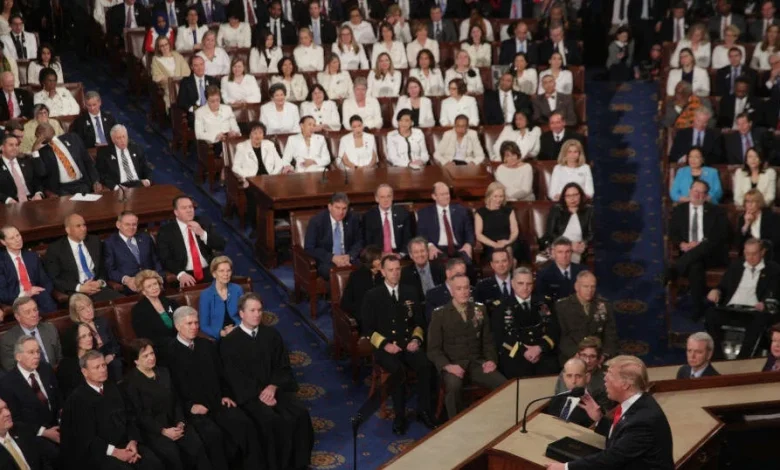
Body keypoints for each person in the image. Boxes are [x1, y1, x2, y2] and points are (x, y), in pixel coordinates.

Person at [220, 293, 314, 470]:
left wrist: (272, 386)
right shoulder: (230, 342)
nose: (257, 314)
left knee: (300, 413)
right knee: (270, 421)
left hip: (275, 389)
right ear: (241, 313)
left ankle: (299, 464)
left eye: (259, 310)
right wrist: (260, 393)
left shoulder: (271, 335)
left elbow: (283, 365)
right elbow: (234, 376)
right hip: (249, 395)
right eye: (252, 310)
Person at [167, 306, 262, 470]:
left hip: (217, 401)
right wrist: (190, 406)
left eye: (196, 322)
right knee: (214, 437)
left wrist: (225, 394)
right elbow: (171, 390)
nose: (195, 327)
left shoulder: (206, 345)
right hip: (195, 410)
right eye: (189, 323)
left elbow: (222, 374)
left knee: (244, 423)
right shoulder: (169, 353)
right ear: (177, 326)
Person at [545, 356, 674, 470]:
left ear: (625, 385)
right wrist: (599, 419)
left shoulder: (643, 421)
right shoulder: (638, 403)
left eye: (610, 374)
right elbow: (621, 436)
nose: (605, 378)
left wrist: (566, 467)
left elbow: (612, 458)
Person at [361, 255, 435, 433]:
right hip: (385, 348)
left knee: (426, 366)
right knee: (398, 371)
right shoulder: (373, 295)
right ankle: (399, 417)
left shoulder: (410, 291)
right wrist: (386, 345)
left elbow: (419, 322)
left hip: (407, 344)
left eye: (397, 269)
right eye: (391, 270)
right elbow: (368, 329)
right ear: (383, 272)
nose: (395, 273)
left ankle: (424, 411)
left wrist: (416, 340)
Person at [60, 350, 165, 470]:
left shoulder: (114, 388)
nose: (103, 369)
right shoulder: (77, 400)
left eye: (104, 365)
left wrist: (133, 441)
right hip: (102, 453)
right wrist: (115, 452)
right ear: (85, 372)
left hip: (127, 444)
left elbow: (130, 416)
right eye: (97, 367)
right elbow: (86, 438)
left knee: (154, 462)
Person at [124, 339, 214, 470]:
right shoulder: (130, 383)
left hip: (175, 422)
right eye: (145, 356)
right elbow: (140, 415)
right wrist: (163, 431)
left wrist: (180, 422)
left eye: (152, 353)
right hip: (154, 430)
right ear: (136, 361)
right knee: (173, 455)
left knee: (197, 445)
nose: (151, 358)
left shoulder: (164, 372)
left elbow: (176, 400)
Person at [427, 274, 506, 419]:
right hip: (453, 364)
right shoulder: (440, 315)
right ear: (451, 291)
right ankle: (456, 423)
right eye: (459, 288)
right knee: (453, 386)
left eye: (466, 288)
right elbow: (433, 350)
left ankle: (497, 420)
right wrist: (448, 366)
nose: (463, 292)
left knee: (503, 384)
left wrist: (491, 360)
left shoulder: (479, 310)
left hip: (477, 363)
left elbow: (488, 341)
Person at [705, 238, 780, 359]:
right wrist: (716, 290)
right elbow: (722, 286)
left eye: (754, 254)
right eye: (747, 254)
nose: (750, 257)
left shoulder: (773, 270)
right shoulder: (736, 267)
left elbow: (774, 293)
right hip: (731, 309)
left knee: (759, 321)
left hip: (753, 311)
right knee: (710, 314)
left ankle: (743, 358)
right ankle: (717, 357)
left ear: (762, 252)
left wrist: (765, 304)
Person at [668, 180, 730, 320]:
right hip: (689, 253)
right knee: (695, 265)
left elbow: (722, 235)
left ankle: (675, 270)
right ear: (690, 191)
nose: (698, 194)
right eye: (696, 191)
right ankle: (698, 308)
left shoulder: (716, 211)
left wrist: (699, 244)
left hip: (711, 254)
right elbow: (673, 233)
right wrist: (682, 244)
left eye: (702, 192)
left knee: (704, 247)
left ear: (706, 195)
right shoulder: (680, 210)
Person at [0, 335, 61, 466]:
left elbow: (58, 398)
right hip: (33, 434)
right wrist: (43, 432)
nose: (37, 356)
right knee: (55, 454)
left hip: (57, 425)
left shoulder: (45, 369)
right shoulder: (7, 383)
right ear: (18, 356)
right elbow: (15, 420)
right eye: (31, 352)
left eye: (38, 351)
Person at [492, 267, 560, 378]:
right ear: (512, 284)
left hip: (542, 353)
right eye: (520, 283)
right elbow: (500, 337)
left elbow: (553, 329)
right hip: (516, 355)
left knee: (552, 368)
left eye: (529, 284)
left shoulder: (543, 303)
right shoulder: (501, 307)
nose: (525, 288)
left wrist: (539, 348)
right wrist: (524, 351)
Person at [43, 213, 121, 303]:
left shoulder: (94, 241)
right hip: (75, 292)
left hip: (97, 288)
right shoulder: (56, 249)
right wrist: (80, 288)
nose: (83, 229)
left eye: (84, 225)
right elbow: (54, 278)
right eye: (78, 226)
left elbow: (103, 267)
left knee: (122, 302)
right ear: (68, 230)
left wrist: (100, 282)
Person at [156, 195, 227, 286]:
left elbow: (221, 245)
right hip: (185, 273)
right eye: (184, 208)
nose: (189, 210)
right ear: (176, 212)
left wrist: (202, 233)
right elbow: (164, 258)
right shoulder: (166, 231)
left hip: (208, 270)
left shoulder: (203, 222)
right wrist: (180, 273)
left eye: (190, 207)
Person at [556, 271, 619, 364]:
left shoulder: (604, 305)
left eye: (593, 286)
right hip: (572, 357)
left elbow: (610, 335)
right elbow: (561, 336)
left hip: (598, 357)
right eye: (585, 286)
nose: (590, 290)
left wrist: (604, 355)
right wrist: (577, 355)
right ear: (576, 287)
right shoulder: (562, 306)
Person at [304, 192, 363, 280]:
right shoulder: (317, 222)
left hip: (347, 258)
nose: (341, 212)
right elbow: (309, 248)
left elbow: (359, 241)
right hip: (327, 261)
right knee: (336, 275)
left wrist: (349, 256)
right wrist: (332, 257)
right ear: (330, 207)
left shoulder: (353, 219)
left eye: (344, 208)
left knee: (365, 271)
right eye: (337, 208)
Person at [32, 123, 102, 196]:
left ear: (52, 129)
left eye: (46, 127)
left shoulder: (72, 138)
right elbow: (41, 173)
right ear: (37, 136)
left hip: (82, 184)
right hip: (62, 189)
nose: (44, 131)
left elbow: (88, 161)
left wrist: (95, 181)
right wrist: (34, 151)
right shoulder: (42, 152)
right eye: (40, 131)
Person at [0, 226, 56, 314]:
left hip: (37, 294)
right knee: (31, 312)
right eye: (12, 238)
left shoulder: (32, 256)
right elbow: (2, 293)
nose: (17, 240)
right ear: (3, 242)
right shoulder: (1, 262)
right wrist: (25, 294)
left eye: (18, 235)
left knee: (48, 304)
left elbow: (46, 282)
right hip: (16, 298)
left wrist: (42, 291)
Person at [104, 211, 163, 294]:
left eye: (134, 224)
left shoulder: (145, 238)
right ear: (118, 225)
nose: (131, 227)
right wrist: (126, 279)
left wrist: (159, 276)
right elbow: (110, 270)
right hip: (131, 286)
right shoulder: (110, 243)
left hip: (153, 282)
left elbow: (156, 260)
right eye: (127, 224)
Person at [417, 181, 475, 263]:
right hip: (437, 249)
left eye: (447, 194)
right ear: (434, 196)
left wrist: (468, 244)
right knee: (438, 266)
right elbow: (421, 234)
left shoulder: (461, 211)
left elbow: (469, 231)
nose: (446, 197)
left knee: (467, 263)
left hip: (459, 248)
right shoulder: (424, 213)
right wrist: (430, 246)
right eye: (442, 194)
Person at [68, 293, 122, 380]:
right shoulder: (76, 330)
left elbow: (115, 345)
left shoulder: (102, 322)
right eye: (82, 309)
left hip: (110, 358)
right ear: (76, 313)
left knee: (116, 364)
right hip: (92, 363)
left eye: (89, 305)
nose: (89, 310)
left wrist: (112, 355)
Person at [0, 297, 62, 372]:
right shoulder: (8, 340)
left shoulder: (50, 328)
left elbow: (59, 358)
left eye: (35, 310)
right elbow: (12, 370)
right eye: (27, 312)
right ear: (17, 317)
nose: (34, 314)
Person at [554, 336, 611, 410]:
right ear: (578, 355)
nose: (587, 361)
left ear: (599, 359)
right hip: (563, 413)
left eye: (592, 356)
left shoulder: (605, 379)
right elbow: (559, 400)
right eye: (584, 355)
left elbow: (605, 411)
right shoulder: (567, 371)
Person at [476, 183, 522, 266]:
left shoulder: (509, 211)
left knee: (508, 249)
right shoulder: (480, 213)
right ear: (489, 196)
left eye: (501, 196)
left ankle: (509, 273)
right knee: (504, 252)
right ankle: (511, 271)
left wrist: (508, 242)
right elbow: (478, 235)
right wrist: (495, 245)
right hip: (490, 245)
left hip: (509, 242)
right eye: (495, 196)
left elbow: (515, 231)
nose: (498, 199)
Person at [96, 124, 153, 190]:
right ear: (113, 140)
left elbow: (146, 168)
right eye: (119, 138)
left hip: (138, 184)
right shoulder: (104, 153)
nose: (122, 140)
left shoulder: (136, 148)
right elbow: (102, 175)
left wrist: (147, 180)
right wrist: (115, 187)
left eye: (124, 137)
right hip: (120, 186)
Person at [131, 270, 180, 346]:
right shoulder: (138, 310)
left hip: (179, 341)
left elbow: (182, 321)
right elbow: (145, 337)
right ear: (143, 291)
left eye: (155, 284)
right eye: (149, 286)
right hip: (159, 347)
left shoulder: (171, 302)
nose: (154, 288)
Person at [198, 256, 242, 341]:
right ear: (214, 274)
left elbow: (245, 315)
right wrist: (222, 333)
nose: (226, 274)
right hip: (221, 335)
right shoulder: (206, 295)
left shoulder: (237, 289)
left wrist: (236, 328)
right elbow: (204, 326)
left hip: (238, 329)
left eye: (228, 270)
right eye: (221, 271)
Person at [362, 184, 413, 256]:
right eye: (382, 197)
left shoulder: (403, 214)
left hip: (399, 254)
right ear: (376, 198)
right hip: (378, 256)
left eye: (388, 196)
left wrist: (401, 254)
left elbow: (408, 238)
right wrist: (379, 255)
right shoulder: (369, 217)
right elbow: (368, 243)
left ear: (392, 197)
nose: (386, 200)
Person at [545, 358, 595, 427]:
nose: (573, 381)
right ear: (564, 377)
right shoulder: (556, 399)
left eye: (578, 376)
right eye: (569, 376)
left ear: (587, 378)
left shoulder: (594, 406)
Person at [340, 246, 383, 323]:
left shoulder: (383, 274)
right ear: (371, 260)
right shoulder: (356, 276)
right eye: (379, 259)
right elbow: (345, 303)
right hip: (364, 317)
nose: (382, 261)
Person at [0, 397, 46, 470]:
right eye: (0, 411)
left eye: (6, 407)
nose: (8, 413)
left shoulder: (22, 430)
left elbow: (43, 460)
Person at [536, 237, 586, 302]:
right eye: (560, 252)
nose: (564, 256)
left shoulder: (583, 271)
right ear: (553, 253)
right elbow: (542, 299)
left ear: (571, 252)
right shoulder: (543, 274)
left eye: (567, 252)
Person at [175, 55, 219, 129]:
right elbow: (181, 102)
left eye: (201, 64)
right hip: (196, 112)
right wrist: (196, 108)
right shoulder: (186, 82)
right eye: (196, 65)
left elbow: (219, 99)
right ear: (192, 67)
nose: (200, 68)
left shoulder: (212, 80)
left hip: (212, 110)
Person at [737, 189, 780, 262]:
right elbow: (738, 243)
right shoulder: (742, 218)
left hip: (768, 254)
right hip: (749, 255)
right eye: (747, 201)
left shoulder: (771, 217)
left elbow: (775, 240)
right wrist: (746, 225)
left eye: (753, 202)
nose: (749, 205)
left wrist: (759, 248)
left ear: (759, 203)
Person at [194, 85, 241, 151]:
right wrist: (216, 136)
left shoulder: (227, 108)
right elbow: (198, 134)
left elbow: (235, 127)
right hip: (213, 144)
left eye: (218, 100)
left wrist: (235, 132)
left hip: (229, 140)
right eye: (212, 101)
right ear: (207, 100)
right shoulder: (199, 112)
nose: (216, 103)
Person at [400, 237, 445, 302]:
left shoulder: (440, 268)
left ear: (427, 252)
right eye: (416, 252)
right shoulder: (405, 273)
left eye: (422, 251)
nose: (420, 255)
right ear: (410, 255)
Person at [0, 134, 42, 203]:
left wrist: (38, 193)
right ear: (2, 148)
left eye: (16, 145)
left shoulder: (26, 160)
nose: (15, 148)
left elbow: (37, 180)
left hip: (32, 200)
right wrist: (7, 200)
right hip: (10, 204)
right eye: (11, 145)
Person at [56, 323, 92, 400]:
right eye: (83, 336)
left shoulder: (96, 355)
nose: (89, 338)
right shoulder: (66, 365)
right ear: (75, 339)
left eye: (89, 335)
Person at [425, 257, 468, 322]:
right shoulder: (433, 294)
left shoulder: (471, 291)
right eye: (458, 274)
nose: (461, 278)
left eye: (463, 275)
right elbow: (432, 321)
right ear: (448, 273)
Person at [474, 248, 513, 316]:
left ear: (509, 262)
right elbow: (479, 313)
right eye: (497, 262)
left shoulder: (520, 281)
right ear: (492, 265)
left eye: (504, 261)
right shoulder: (482, 286)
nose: (501, 265)